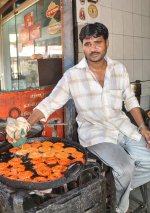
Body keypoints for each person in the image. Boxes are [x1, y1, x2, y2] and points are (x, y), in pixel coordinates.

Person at [6, 22, 150, 213]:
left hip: (123, 127)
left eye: (98, 42)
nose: (93, 49)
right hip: (96, 134)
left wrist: (142, 128)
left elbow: (130, 101)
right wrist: (25, 124)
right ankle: (118, 207)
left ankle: (111, 189)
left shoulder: (119, 69)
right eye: (88, 44)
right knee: (125, 168)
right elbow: (50, 103)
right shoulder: (72, 76)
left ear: (107, 43)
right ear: (83, 46)